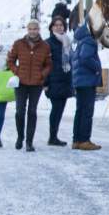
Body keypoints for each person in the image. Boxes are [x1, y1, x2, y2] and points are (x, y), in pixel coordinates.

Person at [6, 19, 52, 152]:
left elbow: (49, 64)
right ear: (27, 30)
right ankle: (20, 137)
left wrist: (42, 74)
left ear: (39, 30)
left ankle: (29, 142)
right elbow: (10, 60)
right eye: (30, 29)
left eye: (35, 29)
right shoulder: (19, 44)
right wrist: (16, 70)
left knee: (32, 111)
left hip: (36, 84)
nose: (33, 31)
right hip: (21, 83)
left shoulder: (45, 46)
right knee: (20, 111)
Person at [70, 20, 102, 151]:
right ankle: (84, 140)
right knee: (87, 111)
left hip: (79, 80)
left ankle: (76, 140)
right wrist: (97, 68)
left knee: (80, 111)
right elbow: (85, 57)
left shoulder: (79, 39)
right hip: (87, 80)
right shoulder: (89, 40)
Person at [44, 15, 74, 146]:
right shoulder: (48, 43)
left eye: (61, 25)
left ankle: (54, 135)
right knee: (56, 109)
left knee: (60, 109)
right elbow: (44, 64)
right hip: (53, 80)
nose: (59, 27)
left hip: (66, 79)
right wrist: (45, 83)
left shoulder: (67, 41)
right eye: (56, 25)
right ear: (51, 27)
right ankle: (52, 136)